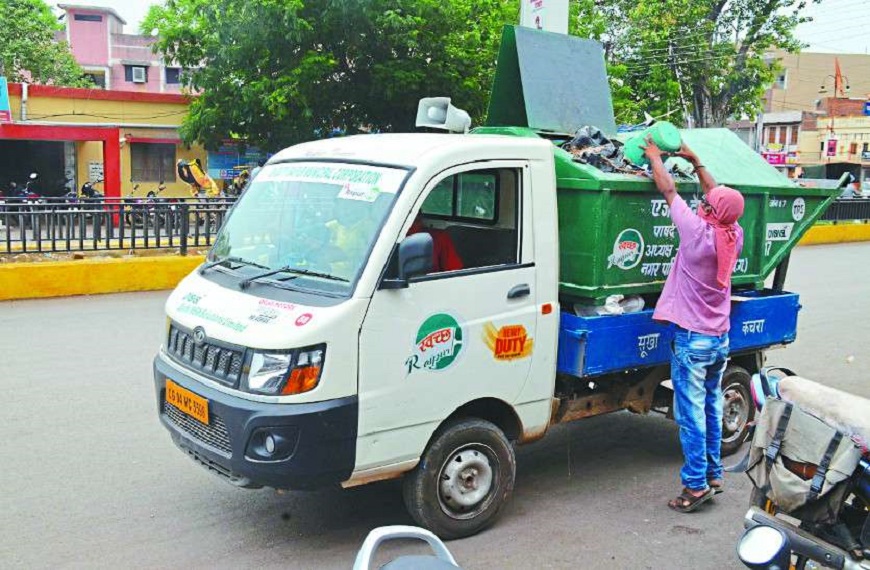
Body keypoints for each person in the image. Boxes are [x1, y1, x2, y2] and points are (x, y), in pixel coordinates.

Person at [642, 136, 745, 513]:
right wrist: (698, 161)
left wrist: (655, 157)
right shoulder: (732, 233)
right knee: (711, 409)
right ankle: (714, 472)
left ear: (711, 212)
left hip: (693, 342)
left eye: (705, 204)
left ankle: (697, 485)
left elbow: (668, 190)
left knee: (690, 417)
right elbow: (718, 195)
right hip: (719, 339)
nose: (702, 203)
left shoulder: (697, 234)